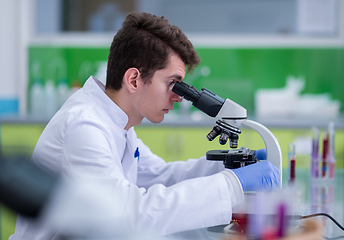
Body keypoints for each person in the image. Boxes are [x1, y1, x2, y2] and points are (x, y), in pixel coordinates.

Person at [10, 12, 279, 239]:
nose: (178, 96)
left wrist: (229, 165)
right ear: (134, 80)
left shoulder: (118, 122)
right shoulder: (85, 126)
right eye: (173, 83)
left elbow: (161, 176)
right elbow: (126, 215)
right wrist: (232, 185)